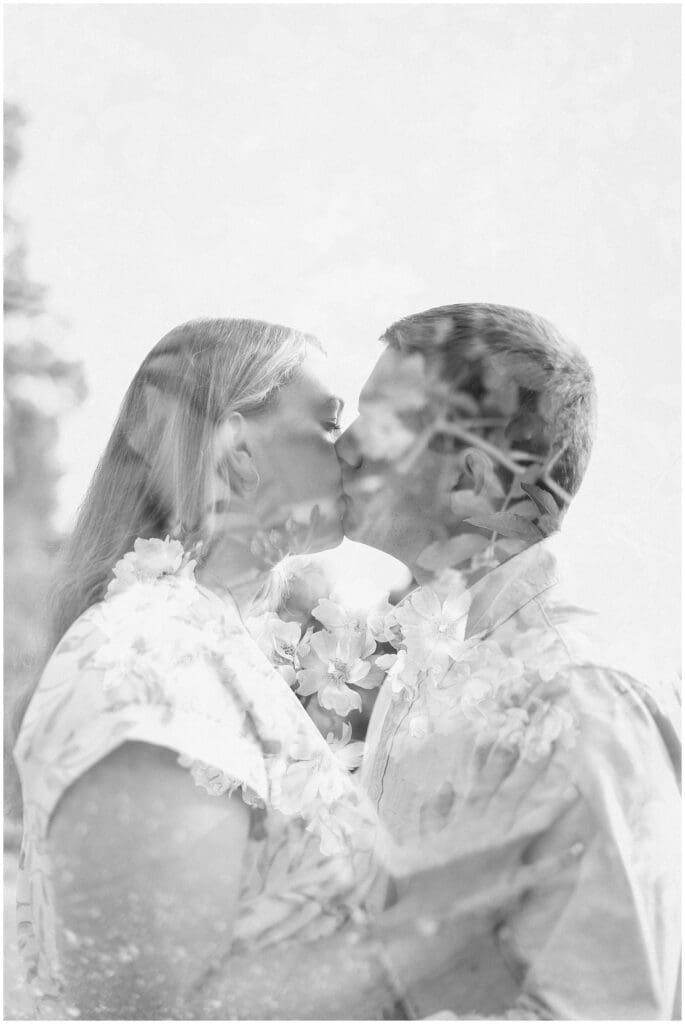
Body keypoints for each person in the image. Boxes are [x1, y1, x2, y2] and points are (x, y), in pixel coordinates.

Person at [14, 316, 500, 1021]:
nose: (362, 450)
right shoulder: (148, 656)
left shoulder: (209, 642)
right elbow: (148, 1004)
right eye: (331, 425)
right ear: (237, 447)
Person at [336, 303, 681, 1020]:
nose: (343, 447)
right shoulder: (422, 672)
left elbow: (602, 1008)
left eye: (377, 422)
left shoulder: (577, 699)